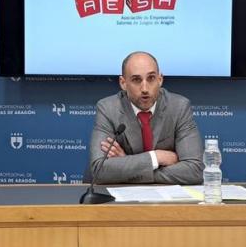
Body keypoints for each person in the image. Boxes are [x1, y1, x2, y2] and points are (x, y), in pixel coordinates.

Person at [85, 51, 204, 184]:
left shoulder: (179, 107)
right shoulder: (108, 108)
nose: (145, 88)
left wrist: (127, 165)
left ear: (160, 79)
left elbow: (195, 170)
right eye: (136, 80)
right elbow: (99, 170)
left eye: (151, 78)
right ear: (123, 83)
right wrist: (156, 157)